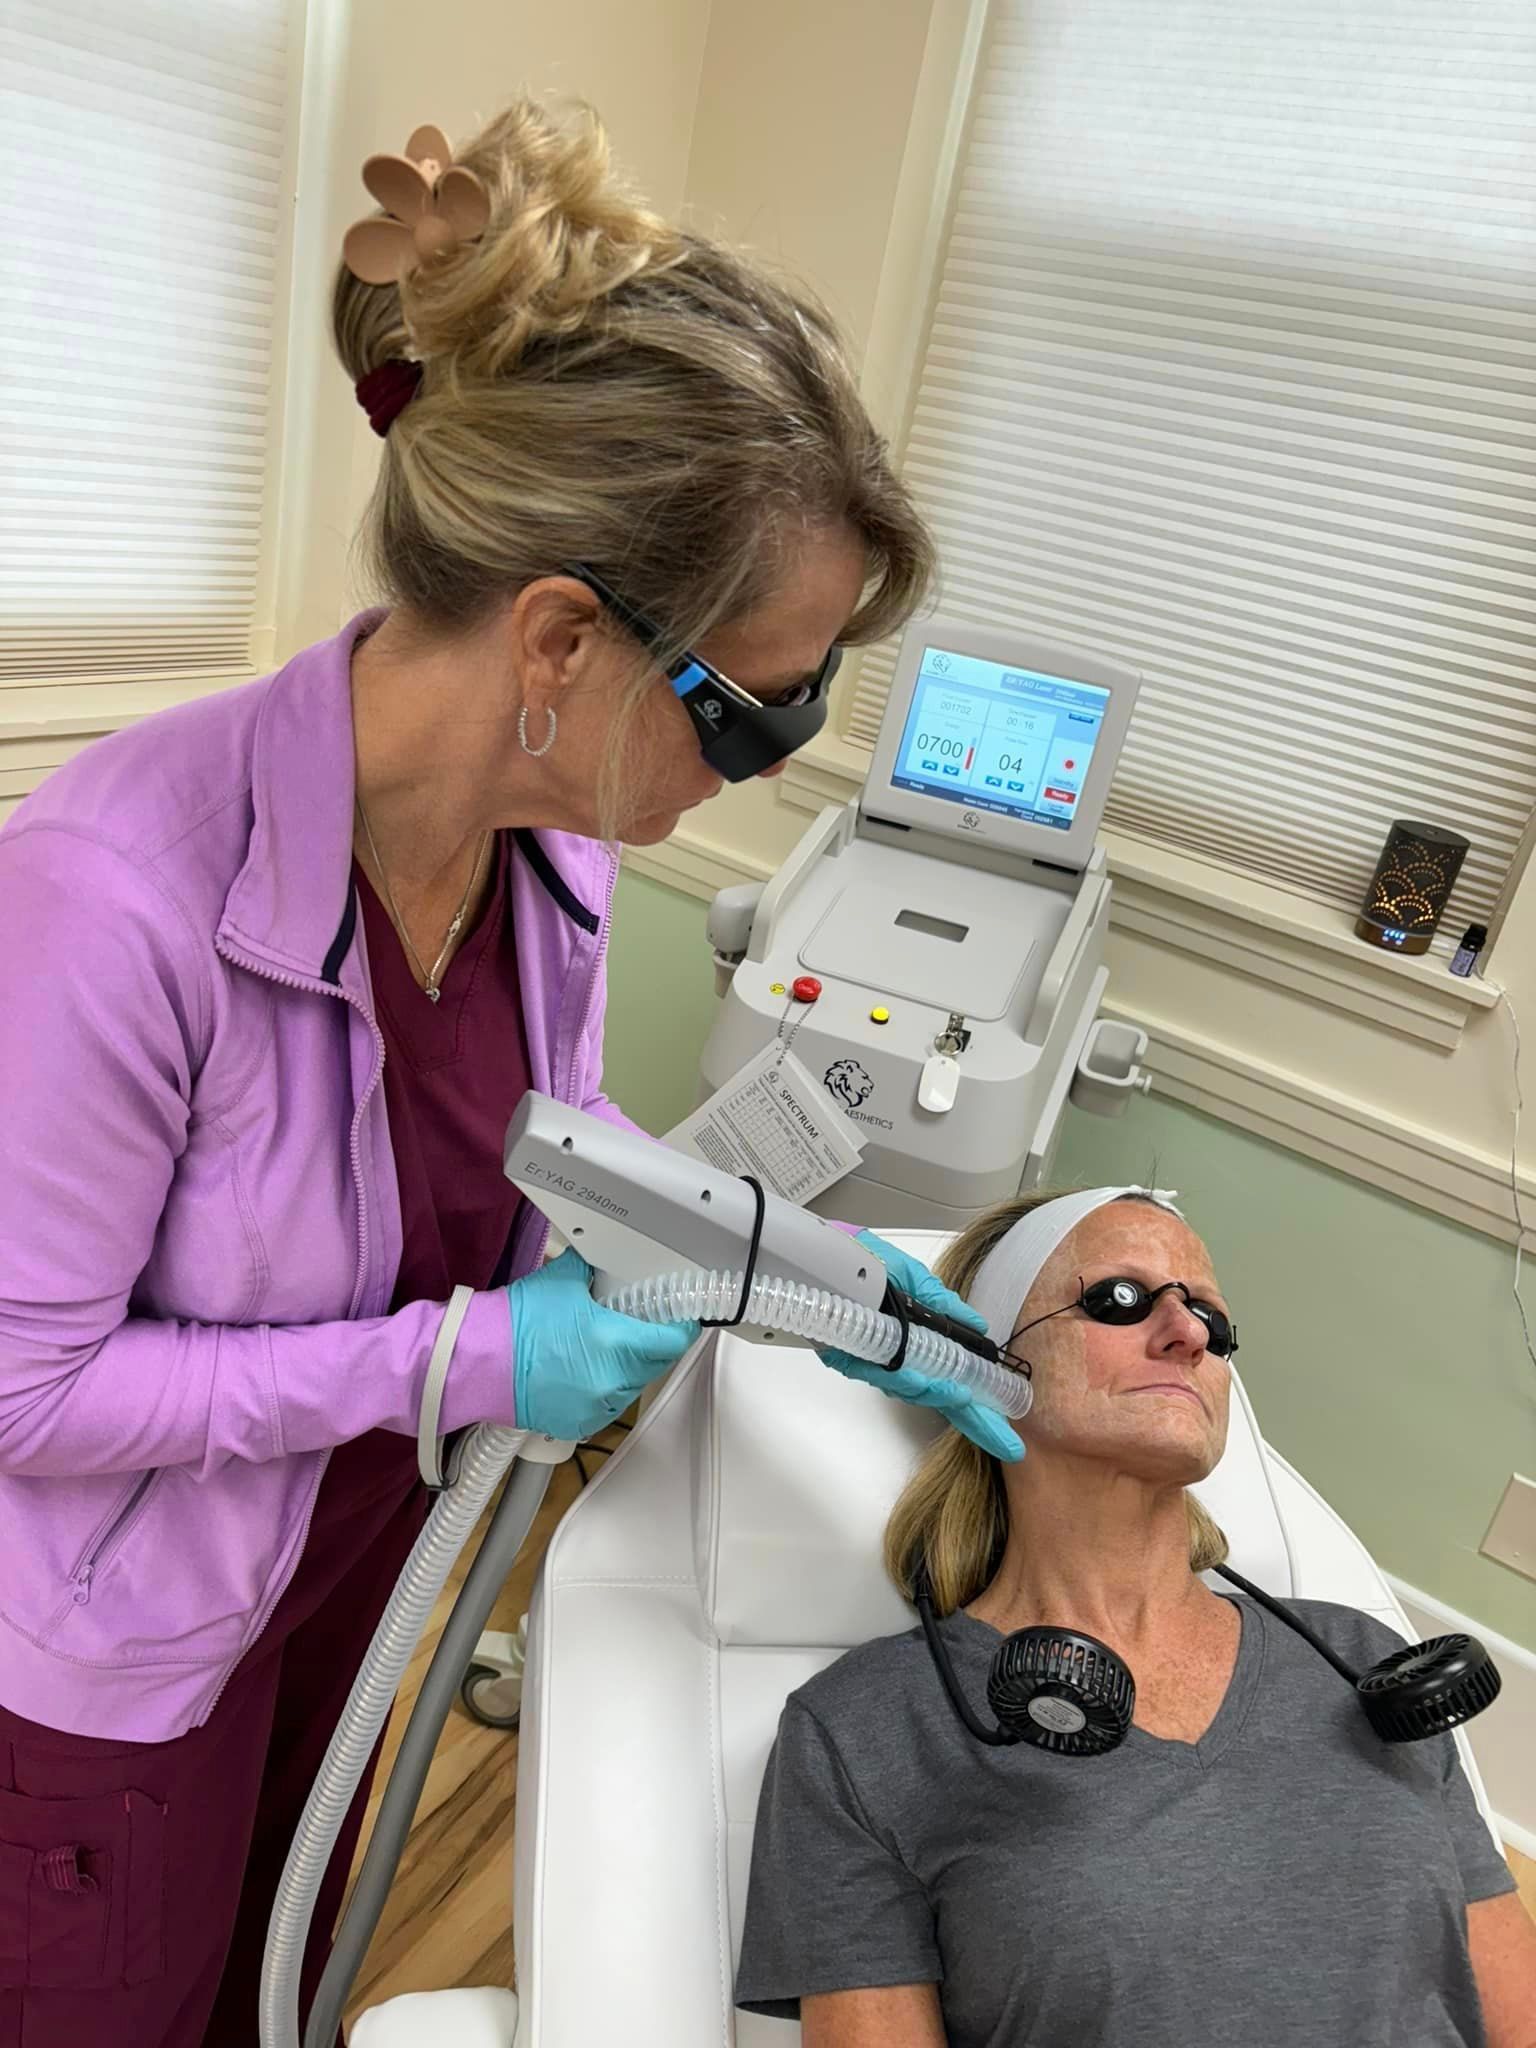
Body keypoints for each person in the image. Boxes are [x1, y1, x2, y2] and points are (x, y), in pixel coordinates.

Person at [0, 97, 1001, 2046]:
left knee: (263, 1987)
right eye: (756, 706)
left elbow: (548, 1147)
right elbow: (25, 1388)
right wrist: (463, 1363)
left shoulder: (547, 860)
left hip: (338, 1568)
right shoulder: (107, 898)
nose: (774, 761)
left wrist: (821, 1274)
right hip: (115, 1660)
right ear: (564, 639)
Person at [736, 1187, 1536, 2046]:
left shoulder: (1360, 1661)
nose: (1188, 1332)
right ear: (988, 1362)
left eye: (1212, 1320)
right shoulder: (865, 1733)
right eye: (1117, 1298)